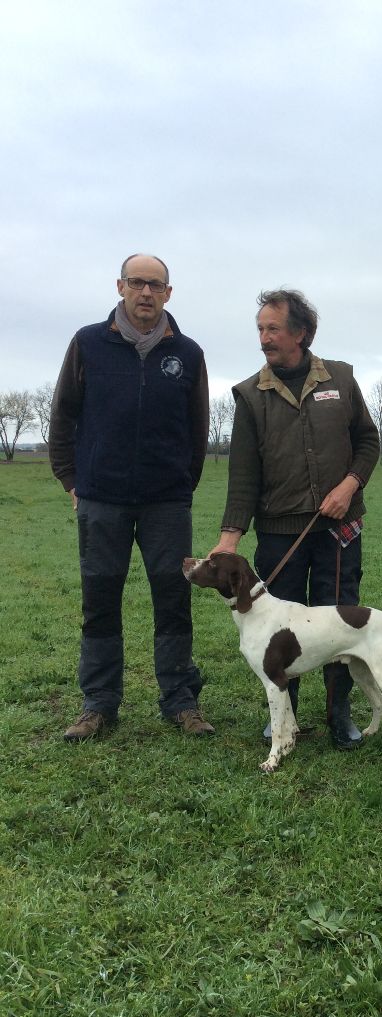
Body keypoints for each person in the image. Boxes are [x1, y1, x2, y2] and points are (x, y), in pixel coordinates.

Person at [49, 254, 212, 740]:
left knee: (173, 599)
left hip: (166, 503)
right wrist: (71, 480)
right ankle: (98, 704)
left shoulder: (187, 353)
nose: (145, 292)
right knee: (100, 600)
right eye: (137, 283)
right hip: (102, 499)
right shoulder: (87, 344)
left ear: (168, 293)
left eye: (155, 285)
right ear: (120, 286)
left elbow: (197, 428)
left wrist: (182, 486)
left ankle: (180, 700)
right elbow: (64, 414)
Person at [209, 288, 379, 749]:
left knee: (339, 624)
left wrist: (349, 485)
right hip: (278, 534)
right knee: (278, 631)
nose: (264, 338)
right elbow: (243, 476)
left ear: (301, 332)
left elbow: (368, 442)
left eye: (273, 328)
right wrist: (229, 539)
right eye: (260, 329)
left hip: (339, 531)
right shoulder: (249, 394)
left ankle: (339, 716)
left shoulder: (341, 379)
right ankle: (284, 717)